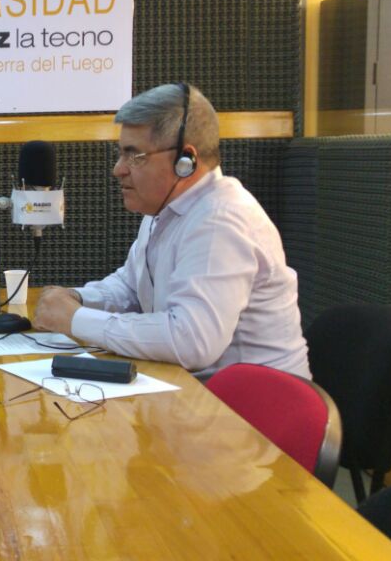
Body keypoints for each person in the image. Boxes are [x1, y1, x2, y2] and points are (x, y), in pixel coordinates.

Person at [33, 84, 310, 379]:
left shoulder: (220, 220)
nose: (118, 169)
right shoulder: (164, 211)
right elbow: (131, 287)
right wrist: (76, 298)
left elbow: (192, 341)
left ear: (185, 162)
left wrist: (76, 320)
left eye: (134, 156)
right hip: (203, 396)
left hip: (256, 409)